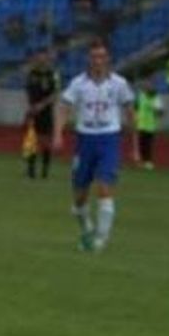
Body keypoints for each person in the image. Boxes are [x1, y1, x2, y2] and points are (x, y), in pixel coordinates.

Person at [53, 39, 137, 253]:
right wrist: (58, 134)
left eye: (102, 57)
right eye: (94, 57)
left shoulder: (119, 83)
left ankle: (100, 239)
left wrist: (135, 145)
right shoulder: (78, 83)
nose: (98, 61)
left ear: (107, 59)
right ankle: (87, 228)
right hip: (85, 140)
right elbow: (63, 108)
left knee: (104, 187)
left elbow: (130, 112)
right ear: (88, 59)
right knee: (79, 197)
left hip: (109, 139)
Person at [24, 47, 58, 180]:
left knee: (45, 141)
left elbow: (55, 94)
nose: (41, 58)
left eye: (43, 56)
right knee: (31, 140)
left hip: (46, 112)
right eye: (39, 56)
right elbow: (28, 91)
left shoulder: (52, 74)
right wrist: (31, 107)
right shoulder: (32, 73)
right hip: (33, 111)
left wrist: (42, 105)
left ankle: (45, 170)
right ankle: (31, 170)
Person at [134, 76, 164, 170]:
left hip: (150, 125)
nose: (148, 87)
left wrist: (156, 110)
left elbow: (160, 113)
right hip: (140, 124)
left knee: (148, 145)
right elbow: (136, 107)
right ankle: (142, 162)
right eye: (147, 85)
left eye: (151, 85)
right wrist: (134, 117)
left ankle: (148, 162)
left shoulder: (156, 98)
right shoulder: (141, 95)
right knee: (140, 144)